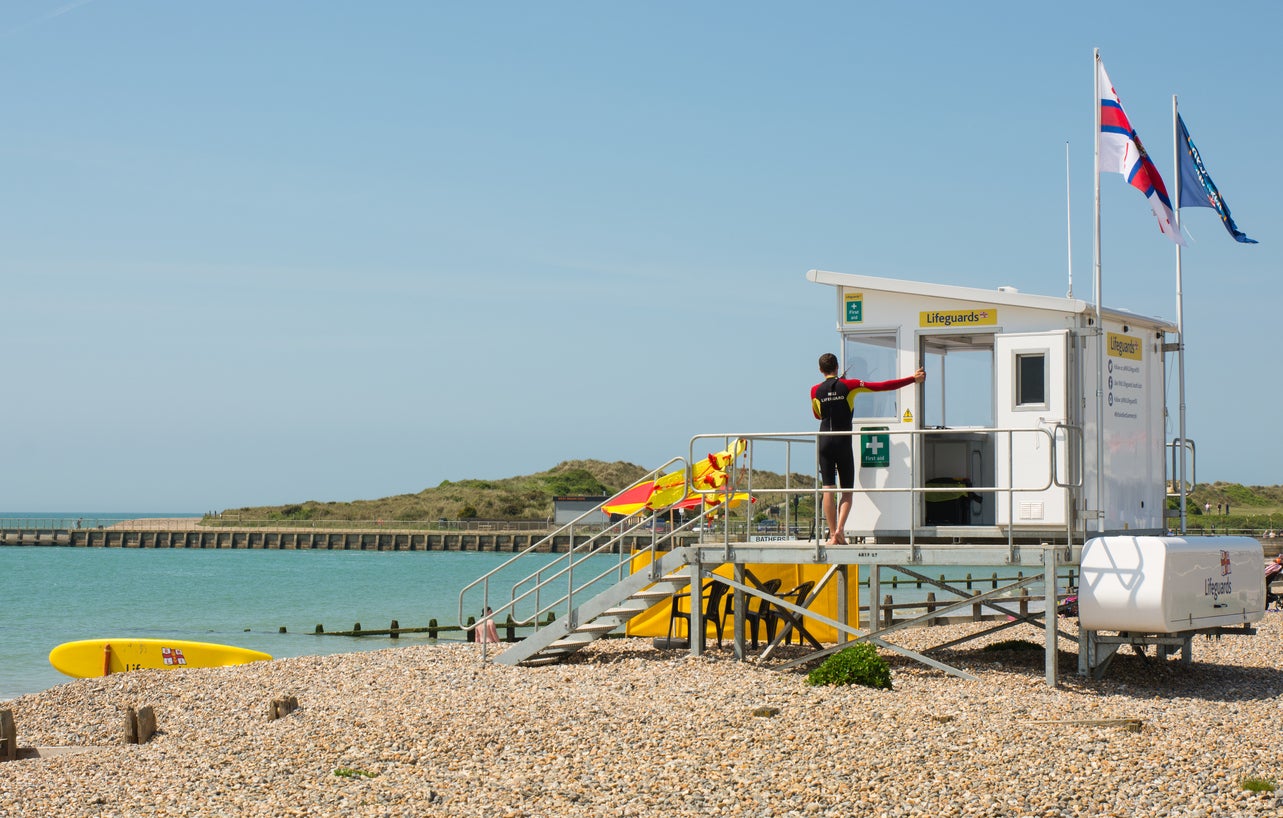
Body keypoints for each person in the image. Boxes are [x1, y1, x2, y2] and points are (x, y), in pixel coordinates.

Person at [810, 352, 925, 545]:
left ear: (820, 370)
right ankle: (840, 530)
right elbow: (881, 386)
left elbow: (817, 415)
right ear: (837, 367)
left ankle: (831, 535)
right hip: (842, 441)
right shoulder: (849, 385)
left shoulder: (814, 390)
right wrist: (913, 379)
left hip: (824, 442)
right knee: (847, 491)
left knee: (828, 488)